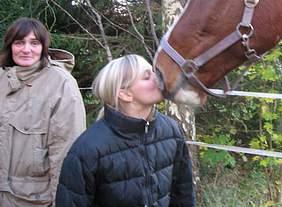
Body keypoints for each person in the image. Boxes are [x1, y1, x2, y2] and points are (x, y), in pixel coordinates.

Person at [56, 54, 195, 207]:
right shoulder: (87, 149)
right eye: (146, 77)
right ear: (125, 93)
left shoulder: (171, 132)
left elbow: (183, 195)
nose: (158, 78)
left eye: (154, 72)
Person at [0, 17, 87, 207]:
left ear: (43, 47)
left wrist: (62, 202)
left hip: (35, 200)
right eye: (19, 42)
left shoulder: (60, 83)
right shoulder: (2, 79)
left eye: (34, 43)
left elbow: (66, 153)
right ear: (10, 46)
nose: (26, 49)